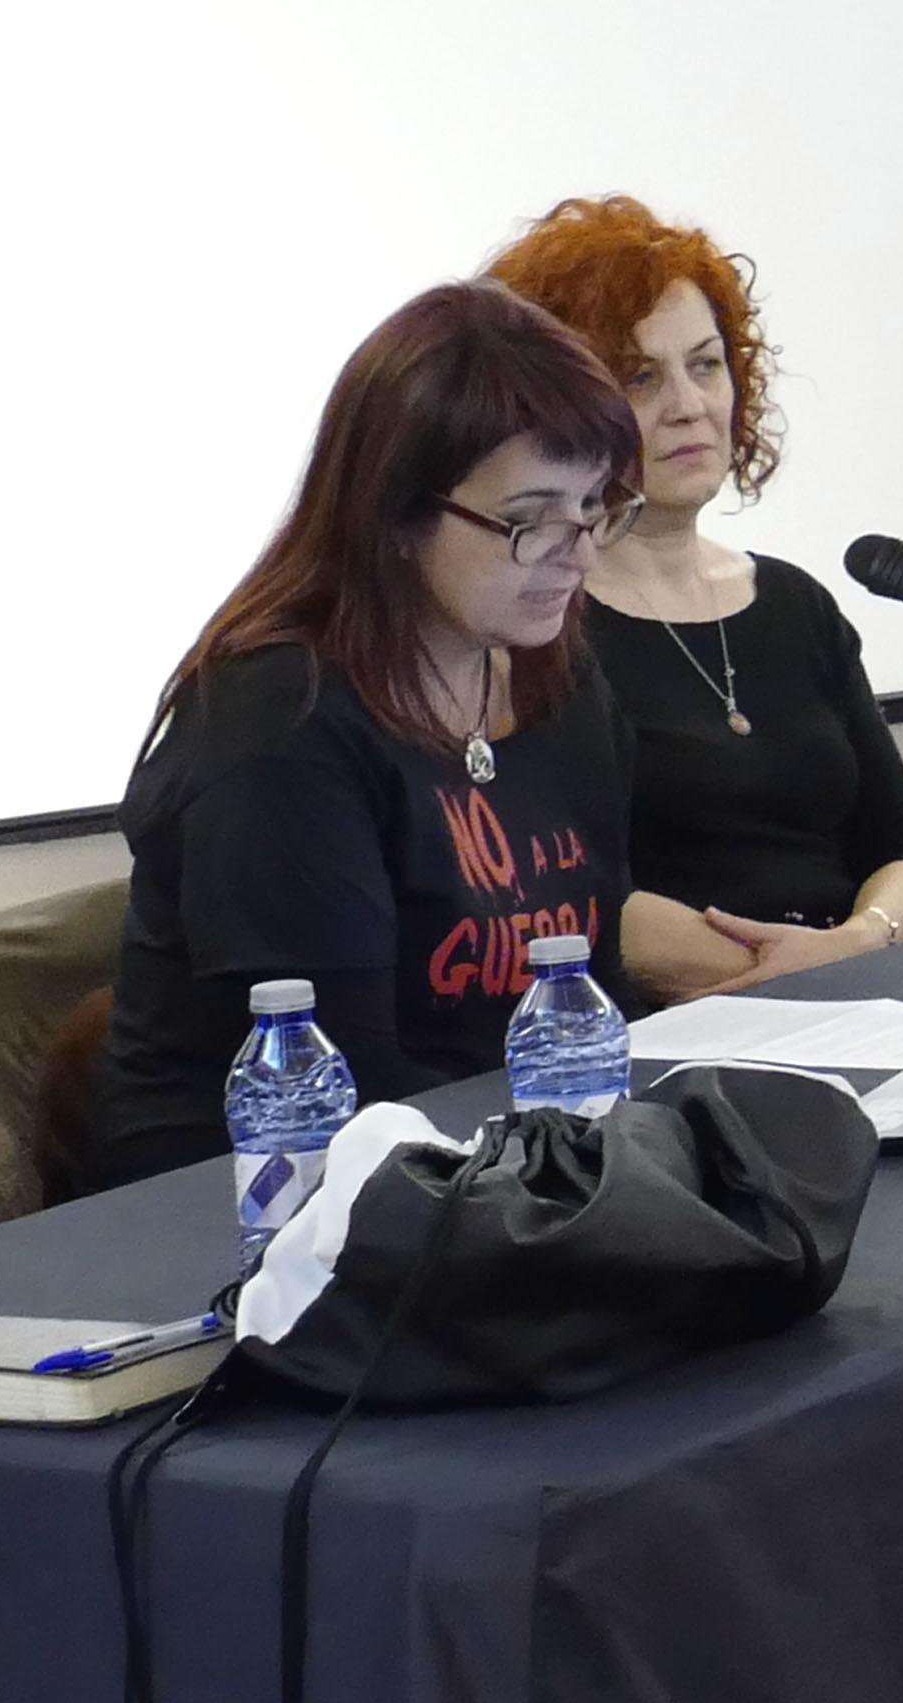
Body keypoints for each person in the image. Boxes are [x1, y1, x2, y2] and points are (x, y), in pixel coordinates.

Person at [82, 288, 650, 1185]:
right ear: (396, 513)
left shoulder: (558, 679)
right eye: (531, 520)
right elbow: (349, 1083)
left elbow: (594, 991)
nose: (578, 555)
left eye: (593, 507)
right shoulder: (282, 721)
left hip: (496, 1168)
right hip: (259, 1199)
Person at [486, 196, 903, 992]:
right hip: (678, 1029)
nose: (689, 405)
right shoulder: (535, 624)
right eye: (640, 377)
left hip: (863, 995)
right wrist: (797, 975)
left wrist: (861, 941)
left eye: (705, 365)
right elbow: (562, 895)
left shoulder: (796, 605)